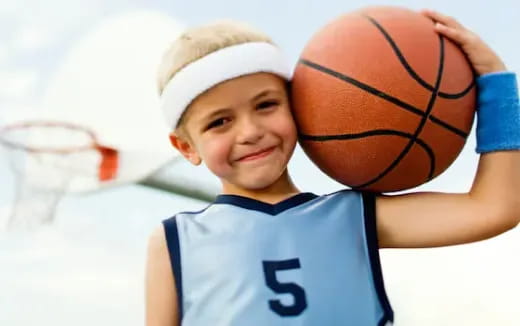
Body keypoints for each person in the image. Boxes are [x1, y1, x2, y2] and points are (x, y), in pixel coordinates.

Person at [145, 10, 520, 326]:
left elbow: (494, 208)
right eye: (219, 122)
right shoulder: (176, 241)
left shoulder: (351, 216)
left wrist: (497, 84)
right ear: (186, 147)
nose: (251, 132)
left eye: (266, 105)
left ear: (298, 105)